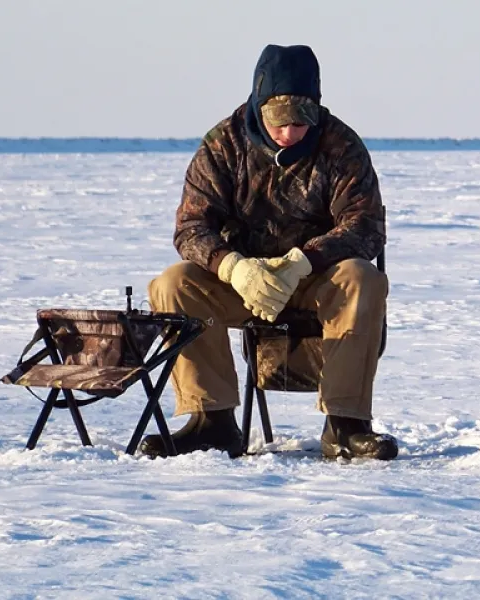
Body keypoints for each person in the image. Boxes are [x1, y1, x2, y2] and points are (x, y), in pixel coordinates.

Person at [140, 44, 398, 461]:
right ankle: (211, 421)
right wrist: (234, 267)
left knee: (362, 278)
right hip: (242, 285)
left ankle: (346, 425)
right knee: (174, 283)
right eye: (280, 121)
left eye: (300, 122)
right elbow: (191, 227)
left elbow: (365, 227)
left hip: (316, 281)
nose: (289, 133)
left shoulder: (341, 145)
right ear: (258, 107)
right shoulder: (223, 144)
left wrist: (303, 262)